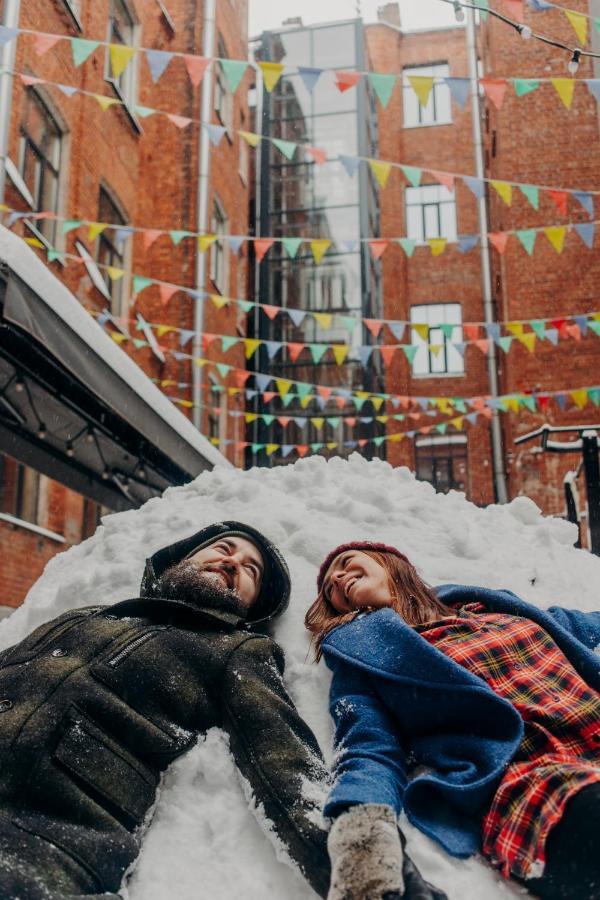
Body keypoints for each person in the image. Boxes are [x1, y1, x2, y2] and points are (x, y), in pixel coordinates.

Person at [0, 520, 332, 900]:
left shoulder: (236, 651)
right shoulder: (84, 616)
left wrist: (355, 866)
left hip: (45, 838)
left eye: (250, 569)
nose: (232, 563)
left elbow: (286, 764)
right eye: (224, 549)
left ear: (253, 604)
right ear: (184, 557)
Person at [305, 540, 600, 900]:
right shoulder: (365, 660)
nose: (336, 578)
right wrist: (362, 834)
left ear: (391, 563)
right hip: (540, 781)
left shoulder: (488, 608)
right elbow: (368, 750)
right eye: (329, 588)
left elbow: (583, 626)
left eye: (346, 563)